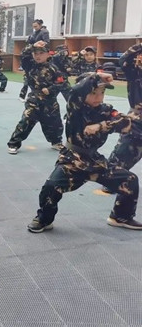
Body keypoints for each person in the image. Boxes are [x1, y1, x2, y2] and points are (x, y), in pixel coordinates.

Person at [27, 72, 142, 233]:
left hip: (95, 160)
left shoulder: (105, 110)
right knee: (51, 187)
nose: (98, 97)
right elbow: (76, 91)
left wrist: (101, 126)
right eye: (93, 93)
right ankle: (44, 219)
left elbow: (124, 122)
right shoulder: (75, 108)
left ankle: (120, 217)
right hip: (72, 160)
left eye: (102, 92)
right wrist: (98, 75)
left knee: (130, 180)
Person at [7, 41, 64, 154]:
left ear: (48, 54)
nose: (38, 56)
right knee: (25, 122)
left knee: (55, 124)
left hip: (50, 102)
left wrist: (50, 89)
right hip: (34, 101)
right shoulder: (30, 66)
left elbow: (61, 83)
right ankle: (14, 144)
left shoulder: (54, 68)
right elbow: (24, 55)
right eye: (35, 53)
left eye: (41, 53)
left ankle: (56, 142)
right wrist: (33, 46)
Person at [108, 42, 142, 173]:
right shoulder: (136, 73)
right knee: (117, 166)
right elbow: (124, 60)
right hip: (136, 126)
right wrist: (140, 46)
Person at [20, 19, 50, 101]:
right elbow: (27, 47)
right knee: (28, 78)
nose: (34, 28)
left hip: (38, 51)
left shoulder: (44, 32)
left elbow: (46, 43)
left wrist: (40, 44)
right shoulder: (34, 33)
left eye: (36, 26)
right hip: (31, 54)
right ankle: (24, 95)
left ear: (40, 25)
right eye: (33, 26)